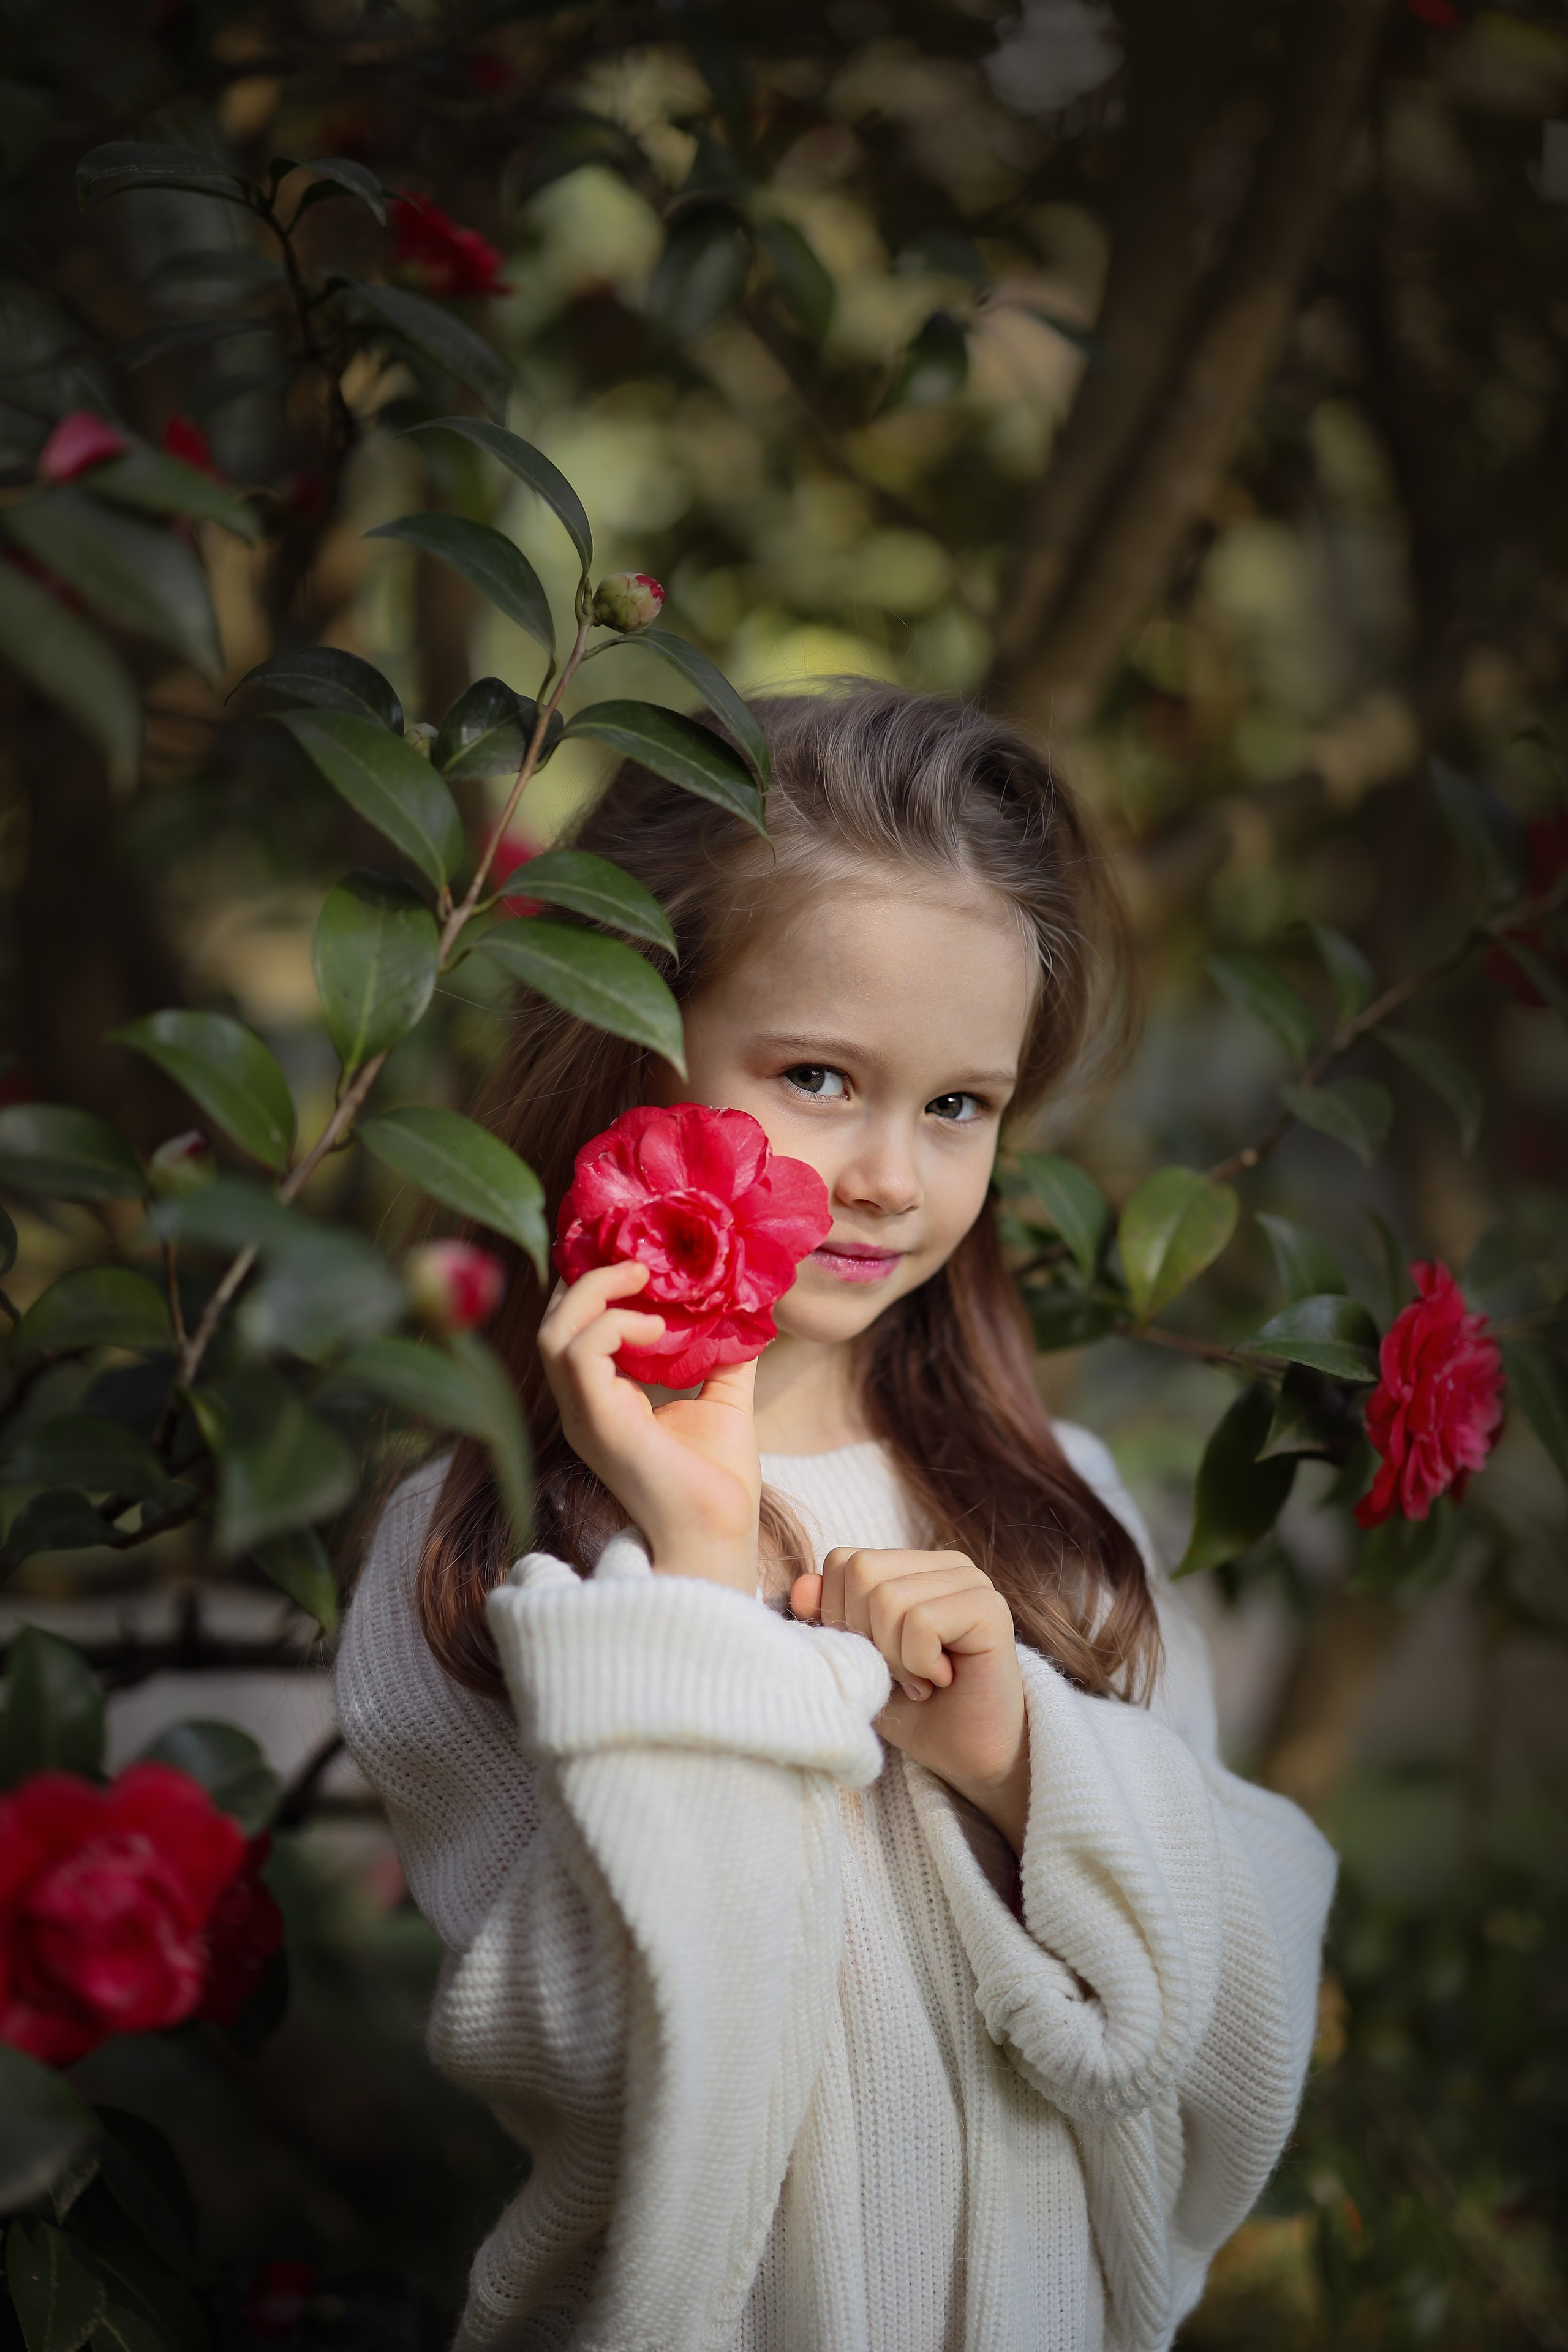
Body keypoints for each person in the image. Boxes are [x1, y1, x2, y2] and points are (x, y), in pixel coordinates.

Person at [337, 685, 1336, 2352]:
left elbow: (1238, 2009)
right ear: (630, 1040)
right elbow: (615, 2085)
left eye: (958, 1106)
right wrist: (697, 1586)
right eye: (817, 1075)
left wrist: (1030, 1769)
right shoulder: (477, 1555)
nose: (890, 1176)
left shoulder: (1064, 1513)